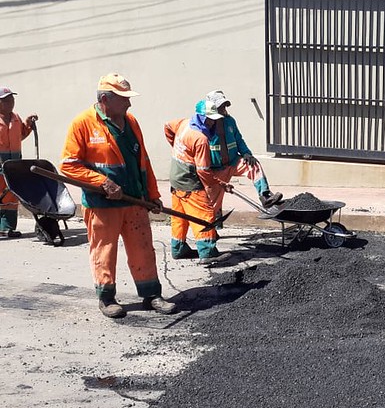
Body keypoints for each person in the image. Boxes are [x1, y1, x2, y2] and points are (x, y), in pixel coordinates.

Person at [61, 73, 177, 318]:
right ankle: (106, 298)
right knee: (104, 250)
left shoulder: (131, 121)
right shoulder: (82, 123)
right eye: (123, 99)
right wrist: (102, 182)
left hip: (134, 200)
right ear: (105, 99)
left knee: (143, 248)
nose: (129, 103)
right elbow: (69, 165)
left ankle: (151, 294)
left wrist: (152, 194)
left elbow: (142, 161)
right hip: (102, 203)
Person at [164, 98, 227, 265]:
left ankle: (178, 249)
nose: (213, 123)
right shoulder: (200, 139)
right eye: (211, 119)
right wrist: (219, 183)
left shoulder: (183, 124)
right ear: (202, 117)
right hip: (190, 182)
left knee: (180, 217)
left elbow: (167, 127)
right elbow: (203, 171)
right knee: (204, 214)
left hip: (176, 179)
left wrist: (178, 147)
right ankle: (208, 252)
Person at [204, 90, 283, 219]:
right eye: (220, 107)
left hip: (233, 162)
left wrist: (247, 153)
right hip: (215, 169)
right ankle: (212, 231)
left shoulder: (230, 121)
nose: (224, 109)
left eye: (224, 106)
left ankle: (265, 196)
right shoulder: (205, 125)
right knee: (213, 203)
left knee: (254, 165)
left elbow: (238, 139)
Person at [0, 85, 38, 238]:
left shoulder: (16, 118)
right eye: (7, 100)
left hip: (14, 164)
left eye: (12, 99)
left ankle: (7, 228)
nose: (11, 102)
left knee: (10, 196)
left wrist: (28, 124)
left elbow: (20, 135)